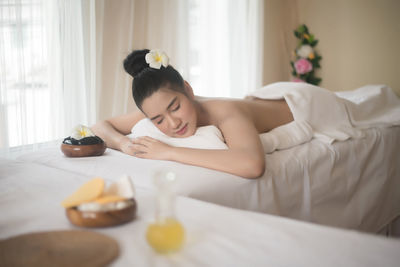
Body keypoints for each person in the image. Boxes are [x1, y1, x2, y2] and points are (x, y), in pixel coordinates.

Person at [91, 49, 294, 178]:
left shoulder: (226, 112)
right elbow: (99, 127)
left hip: (297, 104)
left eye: (175, 107)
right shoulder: (158, 110)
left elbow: (252, 165)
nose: (173, 123)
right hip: (259, 100)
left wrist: (167, 152)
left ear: (188, 89)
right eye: (158, 119)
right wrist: (123, 143)